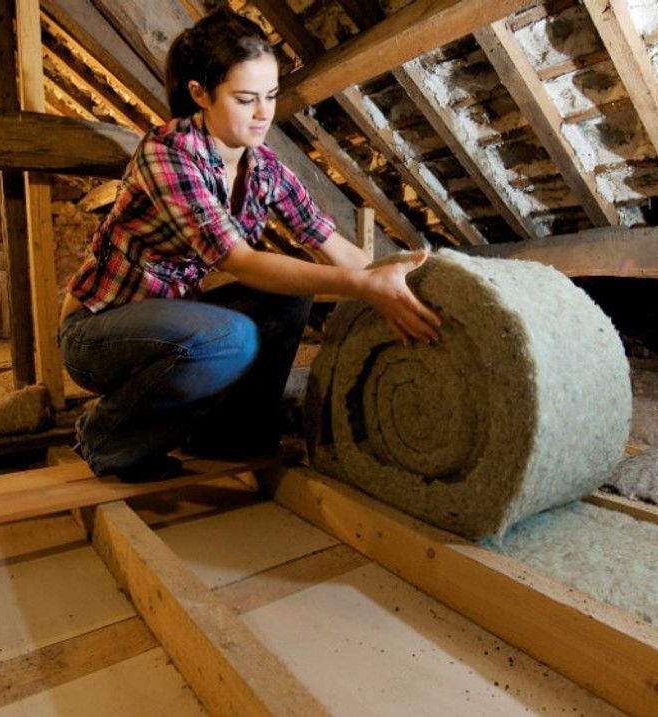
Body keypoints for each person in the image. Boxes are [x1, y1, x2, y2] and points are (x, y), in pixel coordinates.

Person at [58, 8, 441, 482]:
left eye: (271, 96)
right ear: (200, 93)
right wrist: (361, 288)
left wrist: (396, 286)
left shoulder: (263, 168)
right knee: (228, 339)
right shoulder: (167, 155)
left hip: (170, 325)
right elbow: (240, 262)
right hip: (97, 333)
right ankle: (106, 438)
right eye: (245, 100)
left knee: (289, 298)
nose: (264, 114)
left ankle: (231, 437)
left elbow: (329, 241)